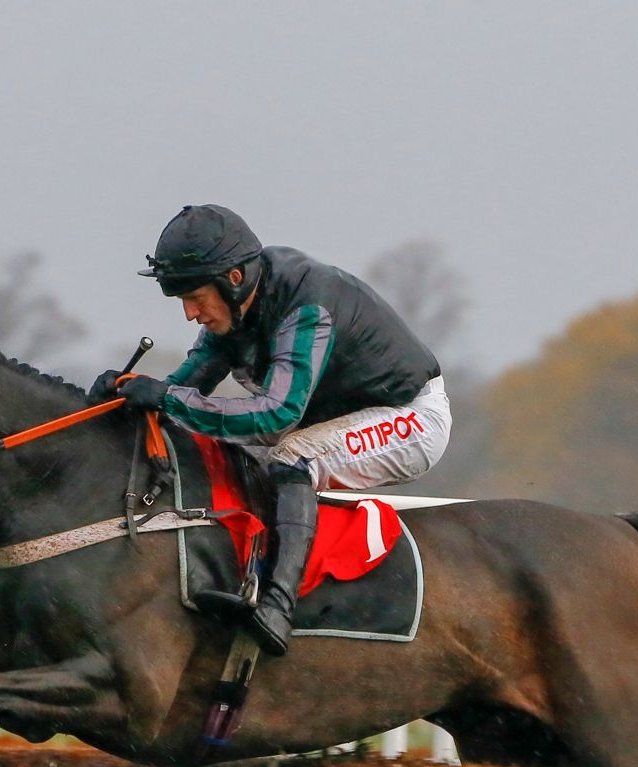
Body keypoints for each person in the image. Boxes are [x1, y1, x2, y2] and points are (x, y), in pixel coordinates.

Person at [89, 204, 450, 656]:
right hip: (324, 419)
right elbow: (183, 392)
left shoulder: (305, 304)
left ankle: (278, 605)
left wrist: (166, 398)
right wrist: (125, 399)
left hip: (410, 417)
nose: (189, 314)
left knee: (292, 456)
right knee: (220, 453)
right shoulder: (236, 306)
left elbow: (276, 415)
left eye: (195, 298)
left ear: (234, 279)